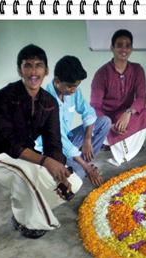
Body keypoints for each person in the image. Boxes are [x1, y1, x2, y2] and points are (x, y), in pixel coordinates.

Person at [0, 44, 82, 239]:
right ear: (20, 70)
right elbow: (8, 143)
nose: (33, 71)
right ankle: (33, 222)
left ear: (46, 70)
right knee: (29, 172)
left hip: (26, 156)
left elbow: (53, 143)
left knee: (73, 182)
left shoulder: (49, 102)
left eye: (38, 65)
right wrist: (44, 161)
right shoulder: (3, 98)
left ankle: (22, 213)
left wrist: (58, 168)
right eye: (28, 65)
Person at [35, 56, 111, 186]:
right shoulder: (45, 102)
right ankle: (81, 165)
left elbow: (88, 111)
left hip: (68, 139)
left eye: (77, 86)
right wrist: (87, 168)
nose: (74, 90)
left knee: (105, 122)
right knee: (78, 177)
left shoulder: (74, 91)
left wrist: (87, 139)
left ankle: (81, 162)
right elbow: (59, 139)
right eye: (71, 87)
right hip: (53, 149)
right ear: (57, 81)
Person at [91, 29, 146, 166]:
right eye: (119, 45)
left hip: (126, 116)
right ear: (112, 48)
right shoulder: (102, 73)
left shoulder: (137, 69)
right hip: (108, 118)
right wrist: (109, 124)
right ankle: (112, 141)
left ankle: (125, 147)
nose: (124, 49)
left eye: (128, 45)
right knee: (103, 122)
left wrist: (128, 113)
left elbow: (141, 98)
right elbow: (95, 105)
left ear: (131, 49)